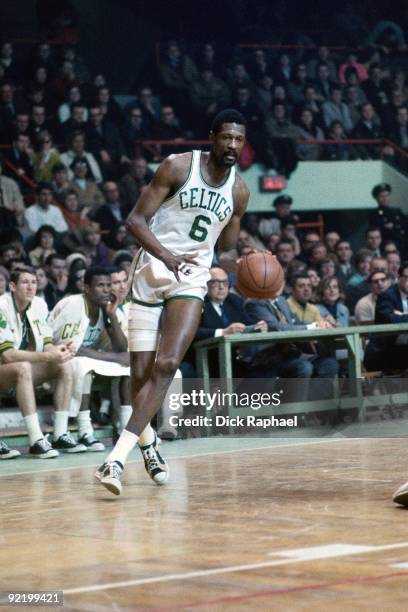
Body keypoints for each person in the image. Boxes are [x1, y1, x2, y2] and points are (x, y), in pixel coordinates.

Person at [96, 108, 249, 495]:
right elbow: (134, 221)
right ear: (212, 136)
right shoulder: (177, 167)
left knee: (166, 366)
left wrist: (250, 263)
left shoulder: (239, 191)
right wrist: (166, 256)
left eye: (239, 140)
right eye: (227, 137)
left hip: (192, 279)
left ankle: (114, 459)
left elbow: (227, 247)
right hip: (151, 269)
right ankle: (149, 447)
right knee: (141, 377)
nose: (232, 146)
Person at [0, 266, 84, 457]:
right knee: (22, 367)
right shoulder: (1, 306)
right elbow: (7, 356)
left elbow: (46, 345)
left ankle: (60, 434)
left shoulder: (39, 304)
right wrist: (48, 356)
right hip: (4, 370)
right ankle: (36, 439)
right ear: (12, 286)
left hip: (22, 372)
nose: (30, 287)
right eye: (24, 282)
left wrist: (60, 351)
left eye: (34, 282)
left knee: (64, 364)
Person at [49, 267, 131, 451]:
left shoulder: (107, 307)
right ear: (86, 288)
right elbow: (68, 348)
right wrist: (114, 357)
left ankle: (126, 427)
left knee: (127, 367)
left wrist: (111, 316)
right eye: (100, 285)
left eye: (108, 285)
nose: (106, 290)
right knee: (83, 364)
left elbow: (122, 348)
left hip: (83, 358)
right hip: (53, 359)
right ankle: (85, 431)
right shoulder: (74, 305)